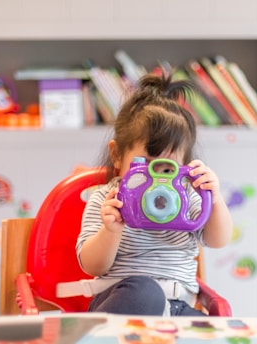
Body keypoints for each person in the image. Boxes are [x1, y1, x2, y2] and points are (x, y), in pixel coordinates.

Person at [76, 67, 233, 316]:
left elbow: (218, 240)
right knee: (145, 293)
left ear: (183, 166)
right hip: (125, 301)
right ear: (117, 155)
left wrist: (213, 199)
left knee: (212, 332)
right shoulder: (108, 200)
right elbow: (91, 265)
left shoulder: (186, 197)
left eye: (167, 168)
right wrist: (110, 230)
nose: (156, 179)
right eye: (147, 164)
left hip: (179, 307)